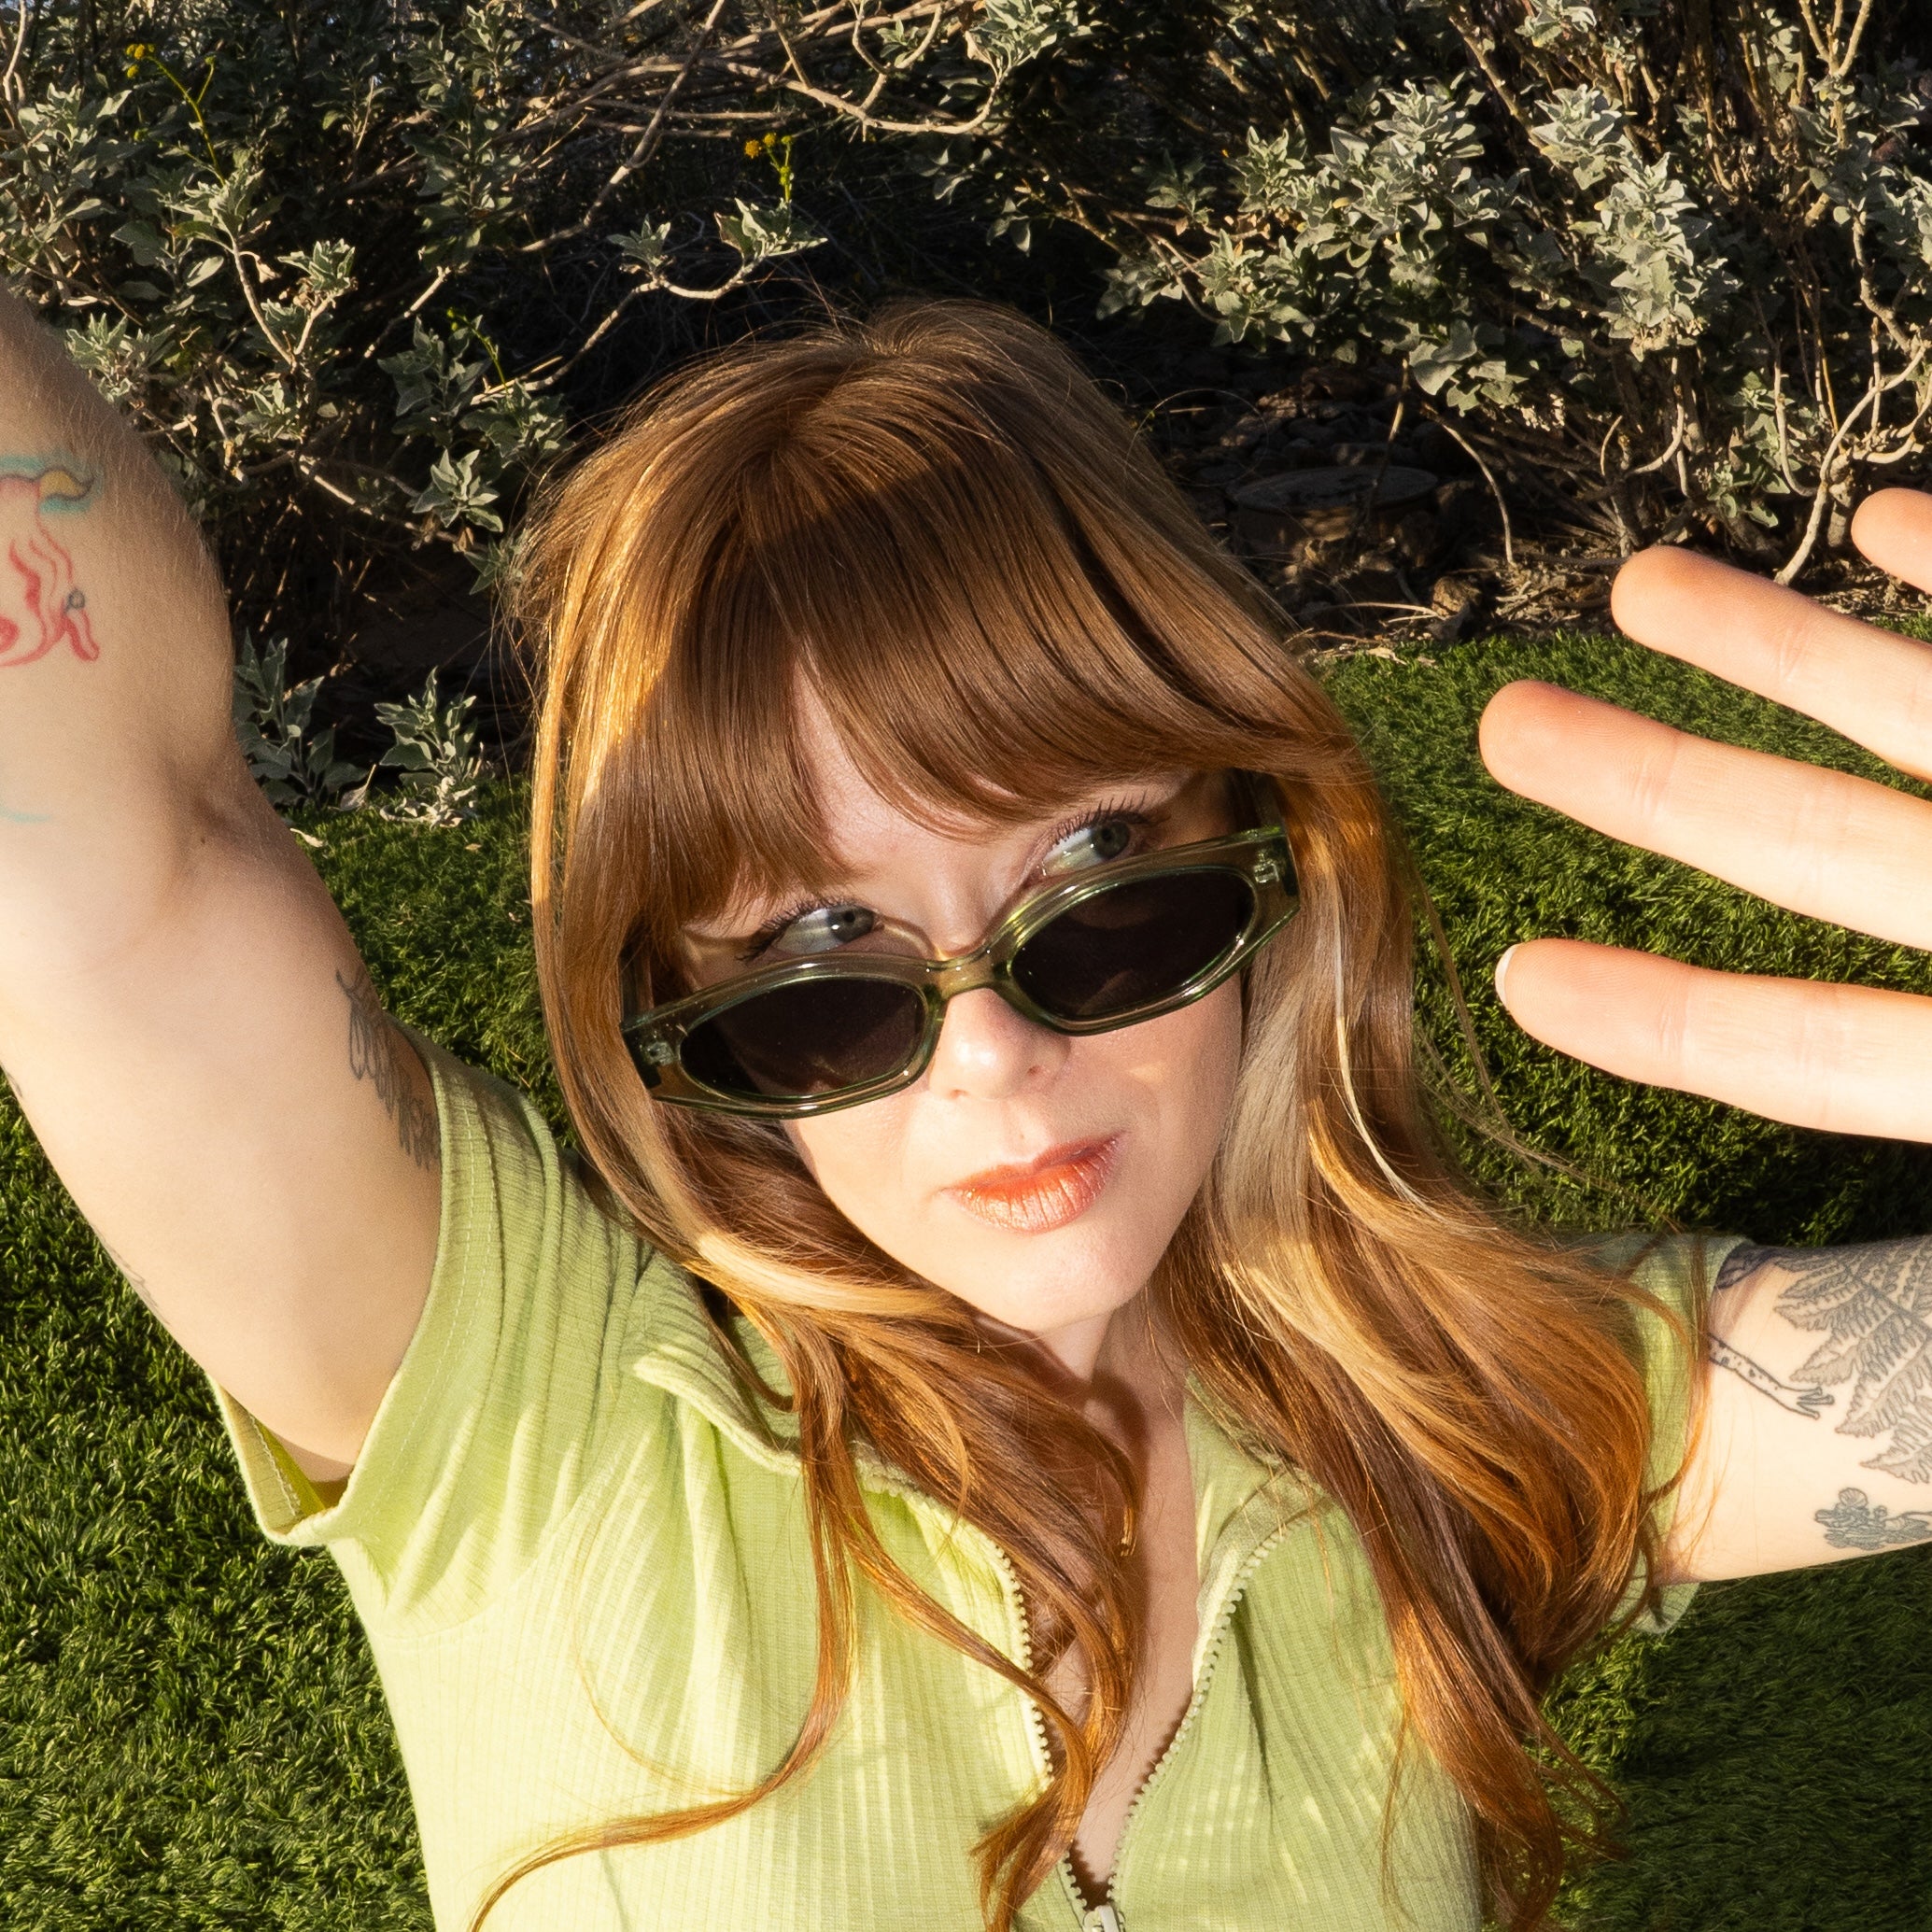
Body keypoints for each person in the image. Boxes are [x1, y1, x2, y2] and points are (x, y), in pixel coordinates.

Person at [0, 286, 1926, 1932]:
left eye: (1100, 891)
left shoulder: (1444, 1407)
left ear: (1259, 852)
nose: (994, 1055)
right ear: (676, 1010)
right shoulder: (533, 1410)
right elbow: (109, 857)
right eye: (823, 969)